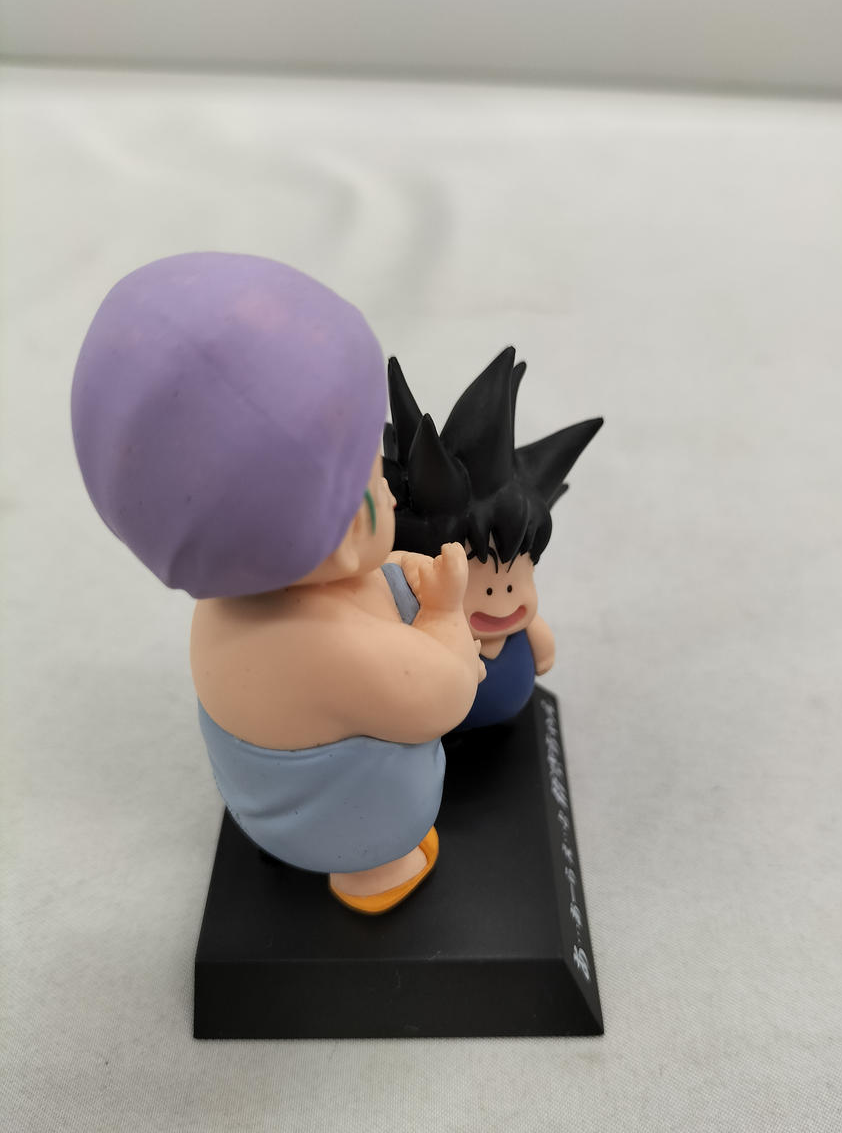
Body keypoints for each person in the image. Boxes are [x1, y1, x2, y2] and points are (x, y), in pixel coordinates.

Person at [72, 252, 483, 913]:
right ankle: (374, 871)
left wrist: (399, 580)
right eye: (373, 479)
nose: (390, 488)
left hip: (263, 788)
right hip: (335, 815)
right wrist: (443, 612)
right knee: (400, 788)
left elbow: (362, 591)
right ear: (340, 531)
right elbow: (446, 695)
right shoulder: (331, 647)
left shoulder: (233, 593)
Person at [383, 347, 602, 729]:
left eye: (517, 576)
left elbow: (542, 650)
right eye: (479, 580)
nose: (501, 597)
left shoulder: (518, 624)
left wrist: (541, 643)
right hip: (436, 727)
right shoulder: (421, 627)